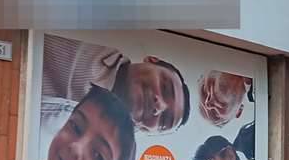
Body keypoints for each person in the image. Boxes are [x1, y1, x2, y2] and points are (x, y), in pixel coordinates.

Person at [41, 33, 190, 134]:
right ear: (151, 60)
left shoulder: (102, 156)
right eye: (165, 88)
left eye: (164, 120)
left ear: (146, 130)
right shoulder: (93, 36)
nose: (159, 106)